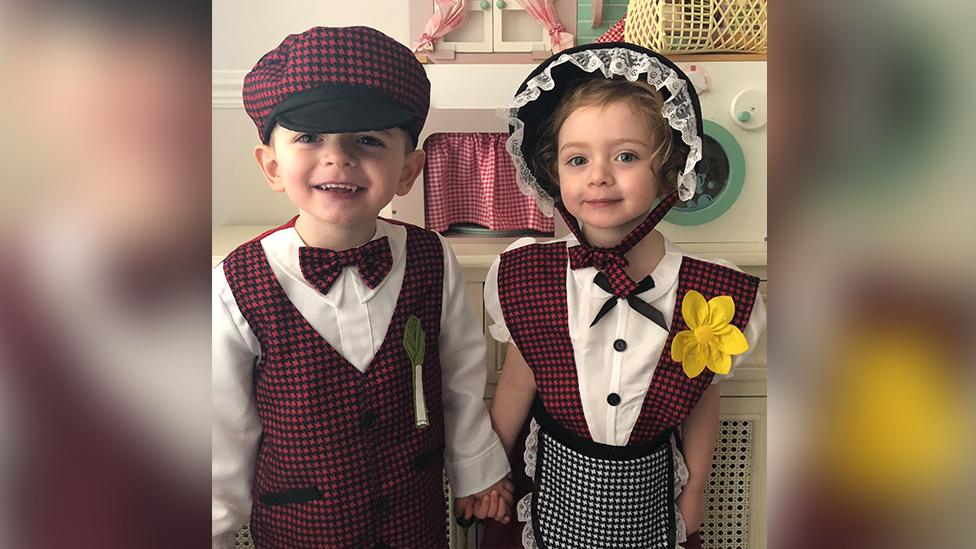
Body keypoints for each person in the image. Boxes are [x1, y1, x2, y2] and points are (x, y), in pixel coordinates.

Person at [212, 26, 512, 548]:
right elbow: (222, 428)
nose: (339, 157)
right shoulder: (235, 282)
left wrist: (475, 468)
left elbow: (461, 374)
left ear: (408, 170)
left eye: (368, 140)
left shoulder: (430, 257)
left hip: (412, 522)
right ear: (271, 165)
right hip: (300, 529)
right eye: (309, 137)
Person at [482, 43, 767, 548]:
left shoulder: (710, 289)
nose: (598, 175)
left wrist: (696, 488)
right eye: (577, 159)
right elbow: (516, 383)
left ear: (670, 168)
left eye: (627, 156)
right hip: (552, 494)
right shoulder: (528, 274)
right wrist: (488, 472)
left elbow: (701, 398)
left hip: (650, 502)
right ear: (554, 172)